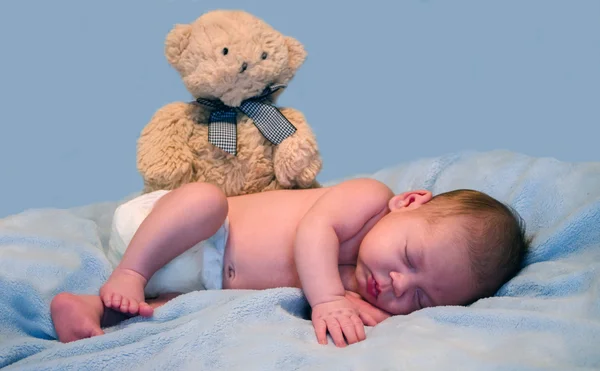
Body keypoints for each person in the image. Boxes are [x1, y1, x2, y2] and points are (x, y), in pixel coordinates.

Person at [50, 178, 528, 347]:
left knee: (174, 306)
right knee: (206, 199)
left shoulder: (363, 284)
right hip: (175, 231)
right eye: (408, 257)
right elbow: (313, 233)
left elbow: (356, 304)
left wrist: (359, 307)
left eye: (421, 297)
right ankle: (129, 272)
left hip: (196, 278)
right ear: (409, 202)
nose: (398, 284)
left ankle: (92, 307)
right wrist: (327, 301)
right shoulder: (367, 198)